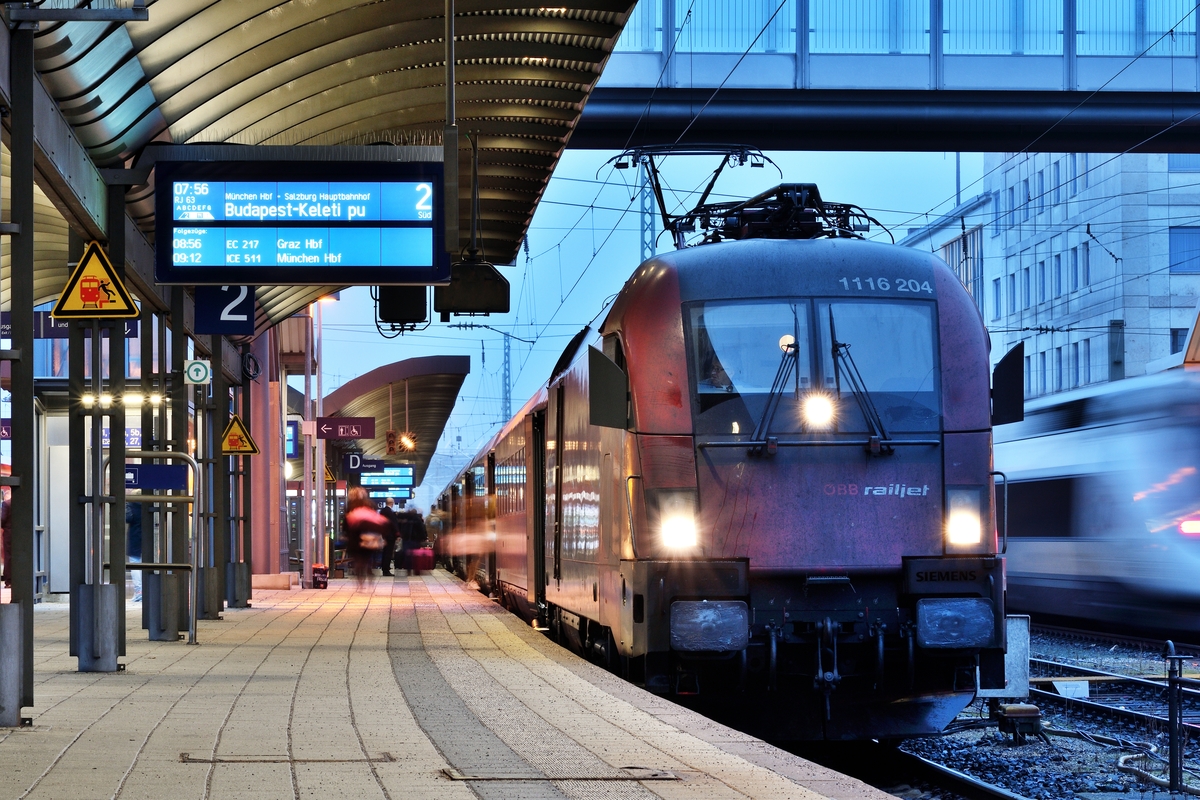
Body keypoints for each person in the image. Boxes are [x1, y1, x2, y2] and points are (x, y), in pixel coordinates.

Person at [341, 486, 389, 587]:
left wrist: (345, 533)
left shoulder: (349, 506)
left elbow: (346, 521)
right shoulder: (370, 504)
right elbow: (376, 519)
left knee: (358, 559)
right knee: (367, 557)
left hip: (355, 537)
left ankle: (360, 581)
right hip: (370, 536)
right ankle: (369, 572)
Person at [402, 506, 428, 576]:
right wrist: (424, 538)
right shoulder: (418, 519)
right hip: (415, 540)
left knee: (408, 555)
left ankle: (409, 570)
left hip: (407, 540)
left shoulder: (406, 519)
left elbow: (402, 529)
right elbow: (422, 529)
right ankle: (416, 570)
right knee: (416, 555)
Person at [378, 497, 399, 577]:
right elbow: (393, 524)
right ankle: (386, 570)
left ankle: (384, 568)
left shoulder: (382, 511)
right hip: (390, 535)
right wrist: (397, 534)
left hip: (384, 534)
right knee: (388, 553)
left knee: (385, 552)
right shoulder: (390, 512)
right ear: (392, 503)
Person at [126, 503, 142, 602]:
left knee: (135, 565)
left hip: (135, 537)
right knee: (146, 565)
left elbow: (127, 518)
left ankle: (139, 591)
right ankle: (146, 590)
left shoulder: (132, 506)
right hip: (149, 538)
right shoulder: (150, 504)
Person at [1, 492, 10, 589]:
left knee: (8, 556)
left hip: (8, 534)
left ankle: (9, 581)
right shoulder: (20, 504)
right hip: (20, 533)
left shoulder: (6, 504)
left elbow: (2, 519)